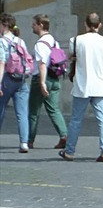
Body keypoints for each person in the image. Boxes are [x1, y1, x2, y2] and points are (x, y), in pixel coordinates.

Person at [62, 12, 103, 162]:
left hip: (82, 84)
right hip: (100, 84)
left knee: (76, 119)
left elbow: (71, 55)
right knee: (102, 118)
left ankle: (70, 151)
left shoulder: (76, 40)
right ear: (100, 25)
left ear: (85, 24)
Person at [29, 14, 69, 150]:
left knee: (34, 112)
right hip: (55, 78)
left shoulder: (40, 44)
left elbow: (42, 64)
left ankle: (29, 140)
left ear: (41, 25)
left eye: (34, 24)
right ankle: (64, 136)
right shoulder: (54, 41)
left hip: (42, 78)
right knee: (54, 109)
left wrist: (42, 83)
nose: (32, 26)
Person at [0, 13, 33, 153]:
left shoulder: (1, 42)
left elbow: (1, 63)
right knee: (22, 113)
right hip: (21, 79)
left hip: (6, 79)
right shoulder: (20, 41)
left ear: (4, 25)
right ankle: (24, 143)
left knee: (0, 111)